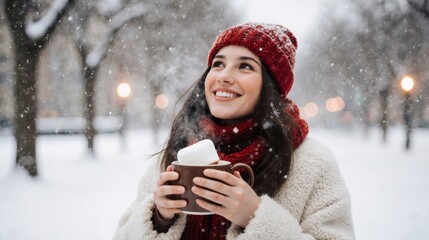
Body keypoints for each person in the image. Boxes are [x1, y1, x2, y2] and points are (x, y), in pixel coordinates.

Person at [113, 22, 355, 240]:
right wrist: (159, 218)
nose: (224, 76)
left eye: (245, 66)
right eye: (218, 64)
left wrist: (255, 217)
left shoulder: (312, 164)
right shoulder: (178, 154)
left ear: (270, 87)